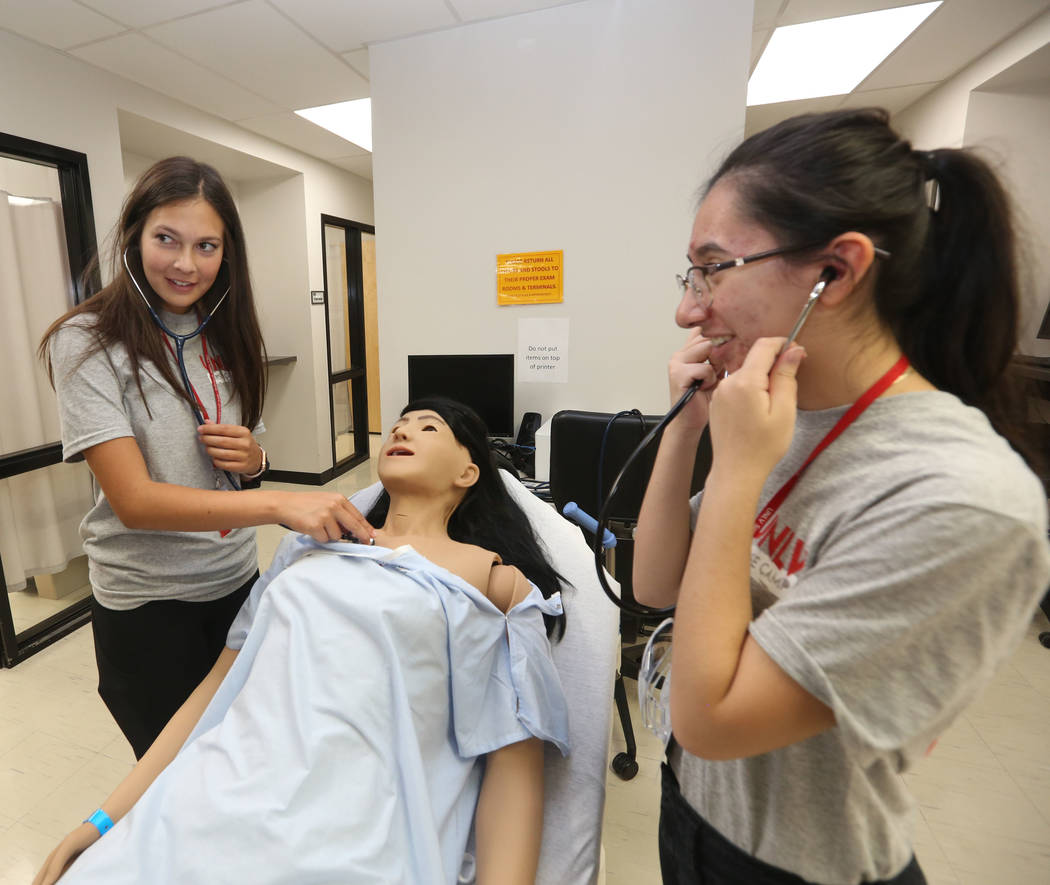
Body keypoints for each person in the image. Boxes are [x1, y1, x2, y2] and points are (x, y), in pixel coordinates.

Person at [632, 108, 1050, 885]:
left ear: (837, 270)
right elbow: (656, 585)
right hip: (692, 802)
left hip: (799, 865)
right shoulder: (782, 415)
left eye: (713, 268)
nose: (690, 309)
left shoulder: (961, 498)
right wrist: (689, 432)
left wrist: (734, 473)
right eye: (691, 274)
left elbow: (712, 717)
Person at [33, 397, 569, 885]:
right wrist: (103, 820)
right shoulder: (305, 551)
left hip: (355, 828)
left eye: (429, 428)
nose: (402, 431)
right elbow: (215, 692)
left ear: (468, 471)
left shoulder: (493, 583)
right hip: (212, 795)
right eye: (399, 425)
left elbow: (512, 761)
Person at [39, 156, 374, 760]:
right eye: (166, 238)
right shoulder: (86, 342)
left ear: (227, 254)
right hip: (148, 606)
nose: (186, 263)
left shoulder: (228, 332)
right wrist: (281, 503)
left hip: (236, 586)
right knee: (178, 779)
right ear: (135, 235)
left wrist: (256, 461)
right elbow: (135, 503)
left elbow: (250, 459)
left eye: (207, 245)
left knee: (245, 757)